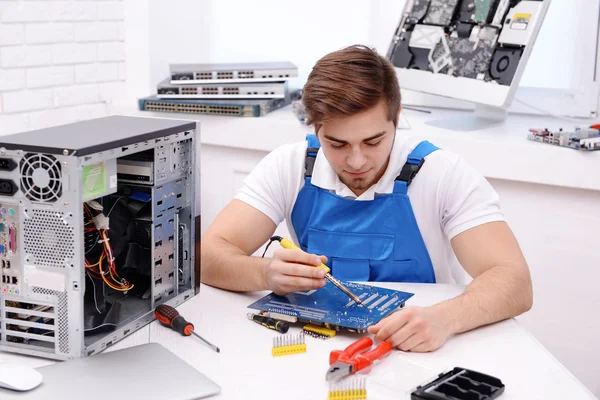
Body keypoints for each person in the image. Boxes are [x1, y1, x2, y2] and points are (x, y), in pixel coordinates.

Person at [200, 44, 533, 352]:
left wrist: (445, 319)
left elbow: (514, 280)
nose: (356, 161)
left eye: (373, 142)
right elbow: (207, 255)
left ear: (397, 118)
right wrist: (264, 273)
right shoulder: (289, 165)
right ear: (314, 127)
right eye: (337, 144)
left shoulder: (444, 174)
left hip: (417, 344)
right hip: (313, 343)